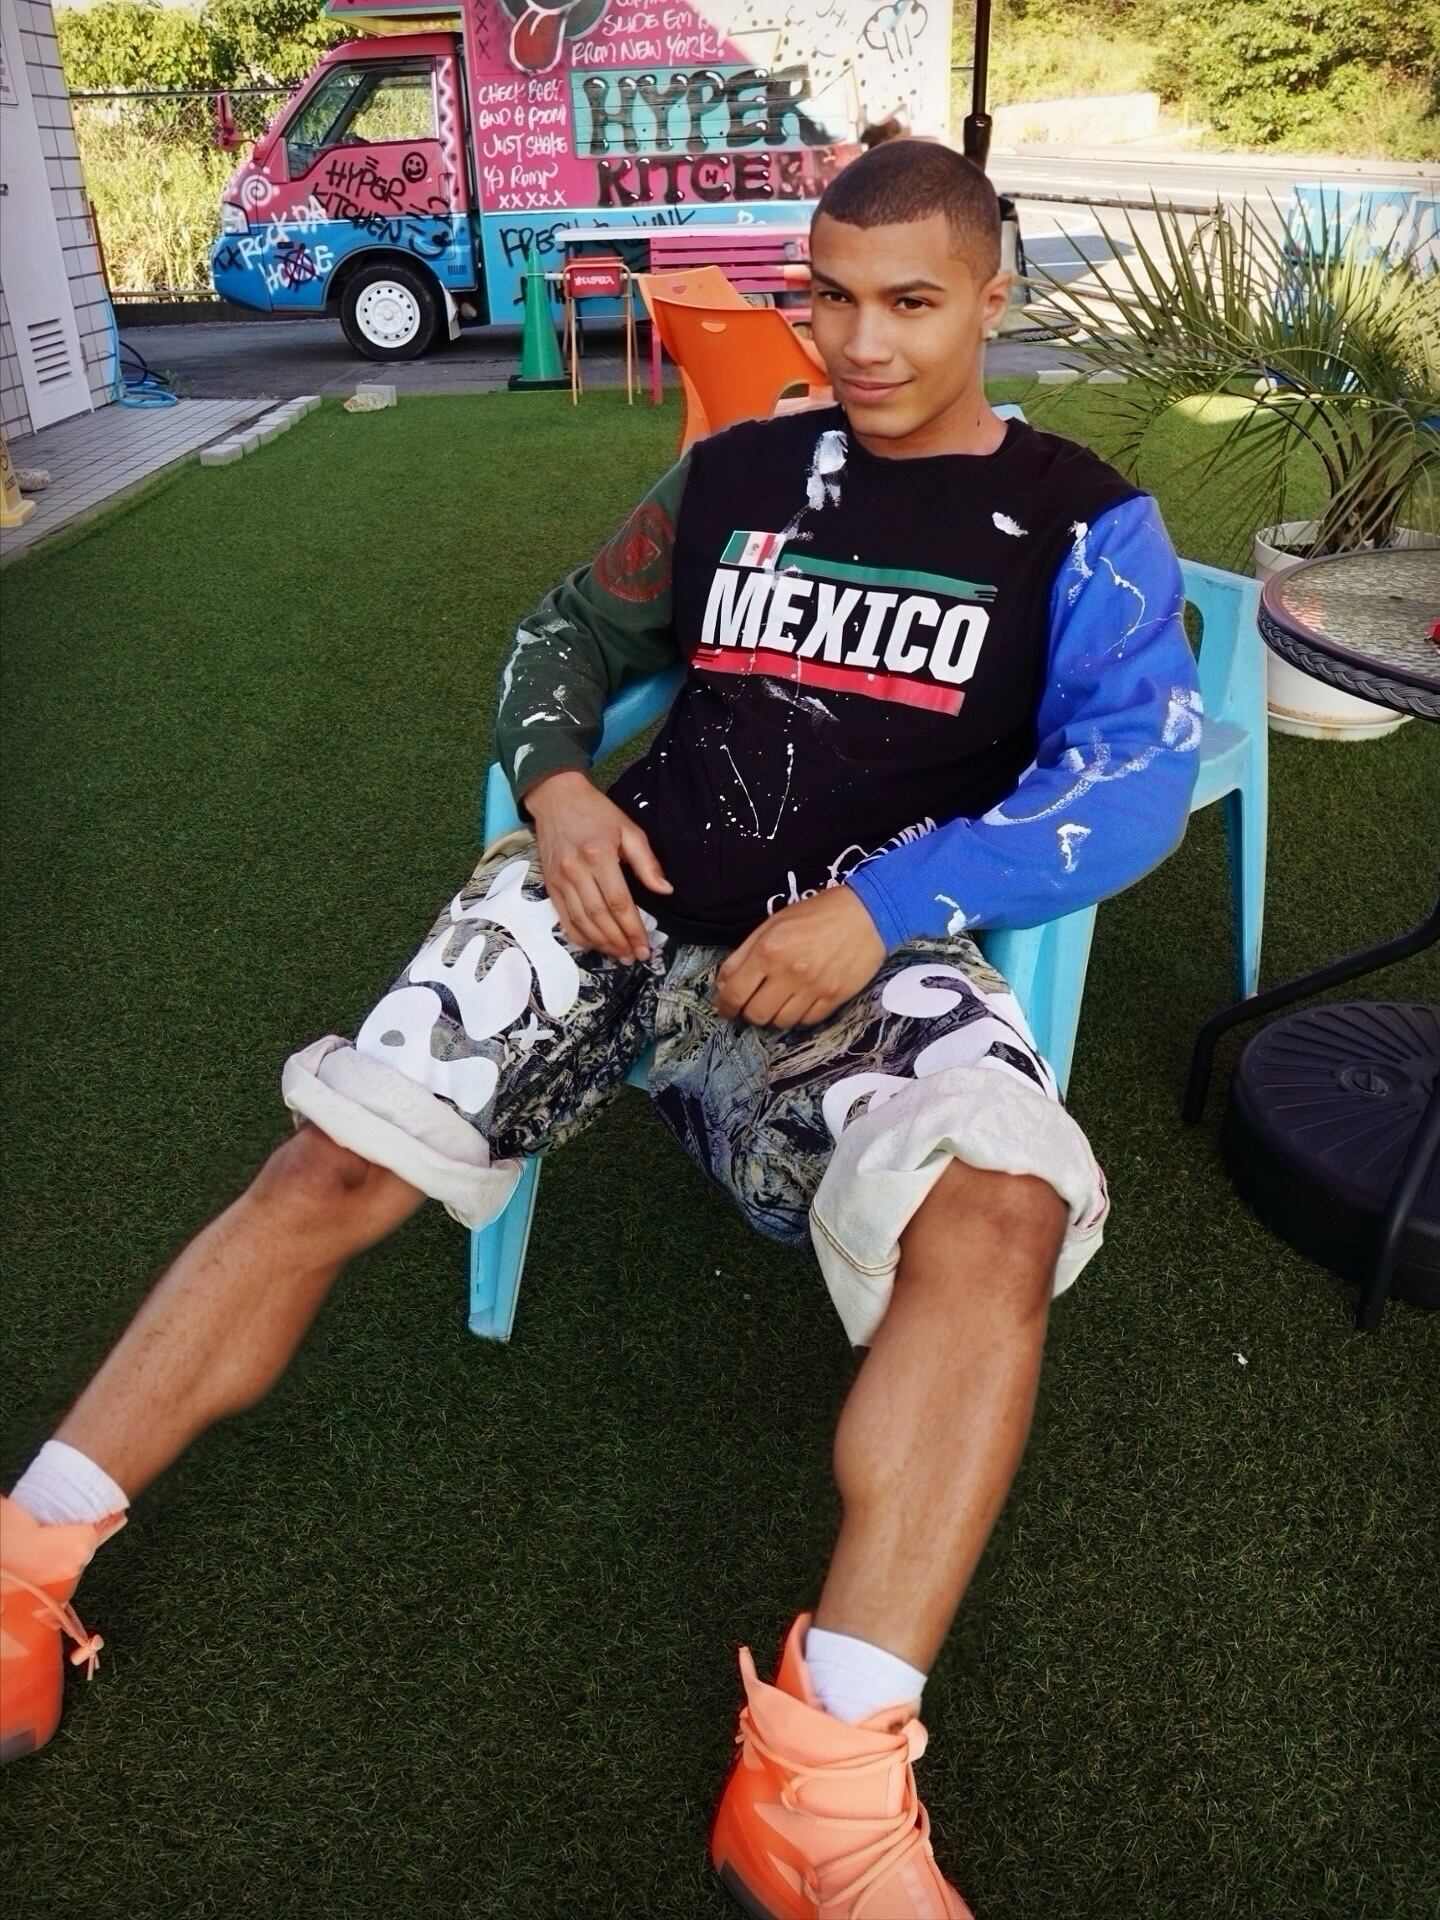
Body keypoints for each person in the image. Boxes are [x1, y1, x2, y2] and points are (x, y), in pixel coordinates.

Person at [1, 140, 1202, 1917]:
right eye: (830, 297)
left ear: (992, 298)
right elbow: (561, 633)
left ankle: (820, 1785)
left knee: (1004, 1207)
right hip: (615, 906)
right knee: (336, 1158)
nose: (861, 343)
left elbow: (1136, 774)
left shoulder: (1084, 522)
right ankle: (25, 1566)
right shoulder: (735, 471)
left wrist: (887, 904)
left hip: (857, 954)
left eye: (910, 301)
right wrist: (558, 783)